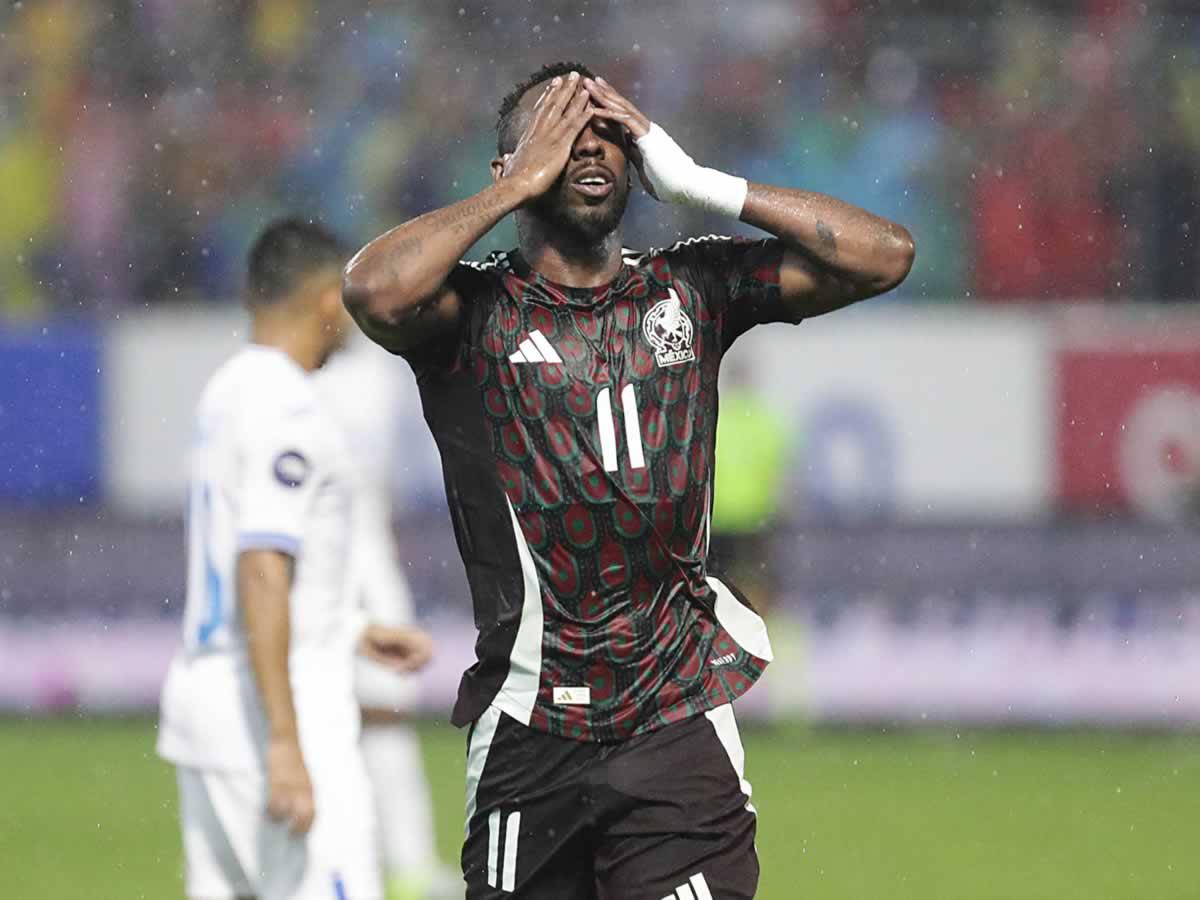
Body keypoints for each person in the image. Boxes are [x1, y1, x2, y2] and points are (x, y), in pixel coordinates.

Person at [342, 62, 914, 899]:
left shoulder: (693, 287)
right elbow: (371, 289)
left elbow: (884, 257)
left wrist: (702, 183)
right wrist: (508, 193)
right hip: (529, 730)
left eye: (610, 131)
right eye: (563, 132)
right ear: (513, 167)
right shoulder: (468, 314)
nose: (592, 148)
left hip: (675, 723)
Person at [157, 218, 434, 900]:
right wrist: (285, 742)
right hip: (279, 716)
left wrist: (349, 630)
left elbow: (243, 562)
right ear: (323, 302)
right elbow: (260, 567)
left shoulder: (228, 392)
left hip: (206, 707)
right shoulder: (290, 412)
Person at [313, 332, 461, 900]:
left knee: (383, 712)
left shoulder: (370, 368)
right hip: (333, 555)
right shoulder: (335, 375)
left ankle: (405, 863)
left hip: (362, 553)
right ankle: (377, 860)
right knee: (340, 713)